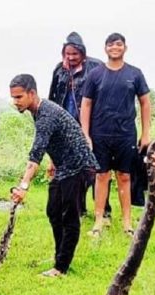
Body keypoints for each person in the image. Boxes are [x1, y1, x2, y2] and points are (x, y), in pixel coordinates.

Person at [8, 74, 98, 277]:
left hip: (79, 166)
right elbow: (57, 136)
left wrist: (23, 186)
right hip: (63, 166)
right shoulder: (38, 110)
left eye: (19, 97)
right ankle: (60, 256)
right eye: (13, 98)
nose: (15, 102)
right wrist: (53, 162)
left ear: (32, 93)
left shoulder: (46, 114)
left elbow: (36, 152)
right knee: (53, 211)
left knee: (69, 216)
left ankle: (61, 267)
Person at [80, 33, 151, 237]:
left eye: (119, 44)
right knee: (101, 175)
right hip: (100, 132)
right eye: (111, 44)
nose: (115, 47)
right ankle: (99, 221)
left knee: (124, 176)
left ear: (125, 48)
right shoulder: (95, 74)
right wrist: (85, 133)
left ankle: (127, 223)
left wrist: (146, 133)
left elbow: (145, 102)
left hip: (126, 133)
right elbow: (86, 104)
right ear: (105, 49)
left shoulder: (135, 74)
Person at [48, 31, 109, 219]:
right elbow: (53, 99)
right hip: (66, 125)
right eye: (68, 53)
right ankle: (77, 208)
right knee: (71, 168)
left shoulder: (96, 67)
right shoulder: (59, 70)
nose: (71, 57)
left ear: (83, 53)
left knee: (95, 168)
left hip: (91, 125)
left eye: (75, 53)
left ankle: (104, 209)